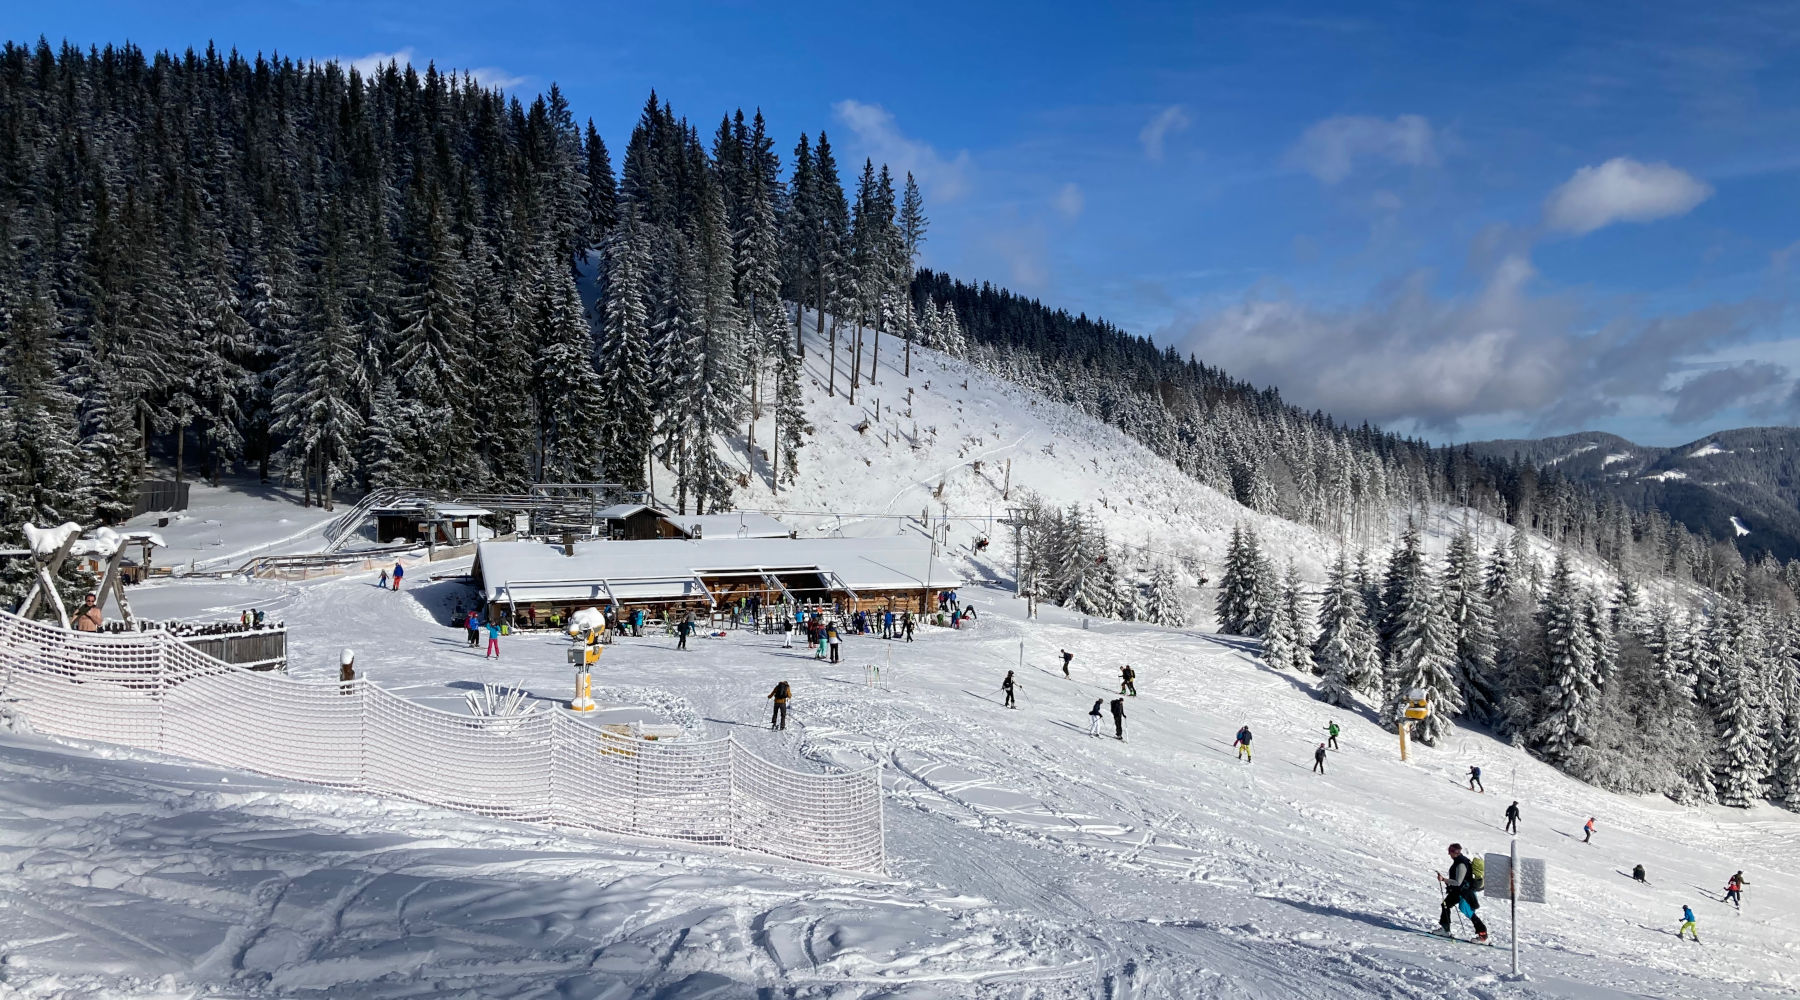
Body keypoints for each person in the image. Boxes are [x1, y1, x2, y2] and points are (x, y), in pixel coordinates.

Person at [1435, 843, 1489, 942]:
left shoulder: (1461, 863)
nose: (1449, 853)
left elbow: (1458, 882)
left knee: (1468, 912)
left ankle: (1483, 935)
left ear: (1455, 852)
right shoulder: (1459, 861)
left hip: (1463, 892)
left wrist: (1443, 879)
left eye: (1450, 851)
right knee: (1445, 905)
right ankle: (1445, 929)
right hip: (1458, 891)